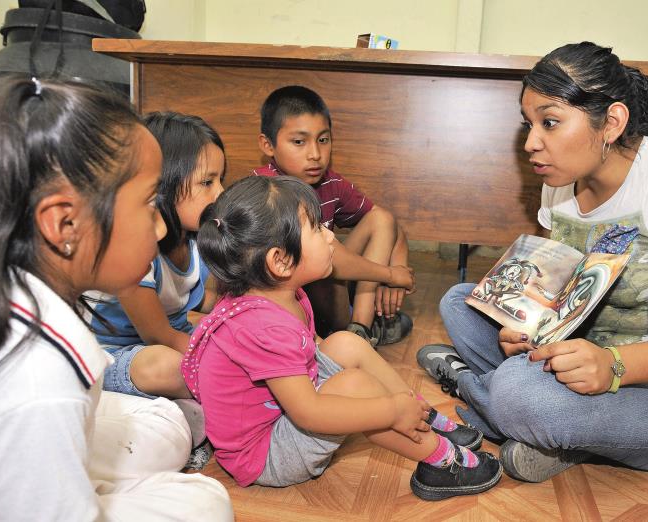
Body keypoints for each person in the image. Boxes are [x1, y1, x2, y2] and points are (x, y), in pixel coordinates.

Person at [417, 41, 648, 483]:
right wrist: (525, 327)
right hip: (585, 359)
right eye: (529, 125)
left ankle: (480, 392)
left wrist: (614, 366)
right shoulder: (560, 185)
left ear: (611, 122)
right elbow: (558, 290)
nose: (531, 143)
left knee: (519, 393)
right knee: (462, 301)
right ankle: (543, 427)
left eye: (550, 122)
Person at [0, 75, 232, 521]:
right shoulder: (43, 383)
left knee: (204, 497)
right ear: (65, 226)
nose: (160, 228)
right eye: (147, 203)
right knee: (206, 506)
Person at [182, 175, 502, 501]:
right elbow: (308, 413)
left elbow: (309, 351)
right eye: (318, 228)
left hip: (280, 415)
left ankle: (420, 416)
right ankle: (441, 461)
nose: (331, 235)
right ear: (280, 261)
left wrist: (393, 406)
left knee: (347, 342)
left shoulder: (280, 295)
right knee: (354, 385)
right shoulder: (264, 328)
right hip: (266, 454)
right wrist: (389, 411)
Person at [254, 85, 413, 347]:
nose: (315, 154)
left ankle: (360, 329)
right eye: (299, 142)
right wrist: (389, 275)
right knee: (320, 259)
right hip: (279, 303)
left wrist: (398, 265)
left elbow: (385, 223)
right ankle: (334, 336)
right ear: (268, 145)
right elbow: (325, 257)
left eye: (323, 140)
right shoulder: (265, 188)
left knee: (380, 219)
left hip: (324, 293)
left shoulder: (330, 183)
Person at [86, 111, 225, 400]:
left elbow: (197, 302)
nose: (220, 193)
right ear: (164, 186)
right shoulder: (136, 251)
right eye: (207, 182)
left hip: (173, 336)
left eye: (221, 180)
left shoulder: (197, 241)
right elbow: (158, 336)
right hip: (112, 353)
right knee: (165, 366)